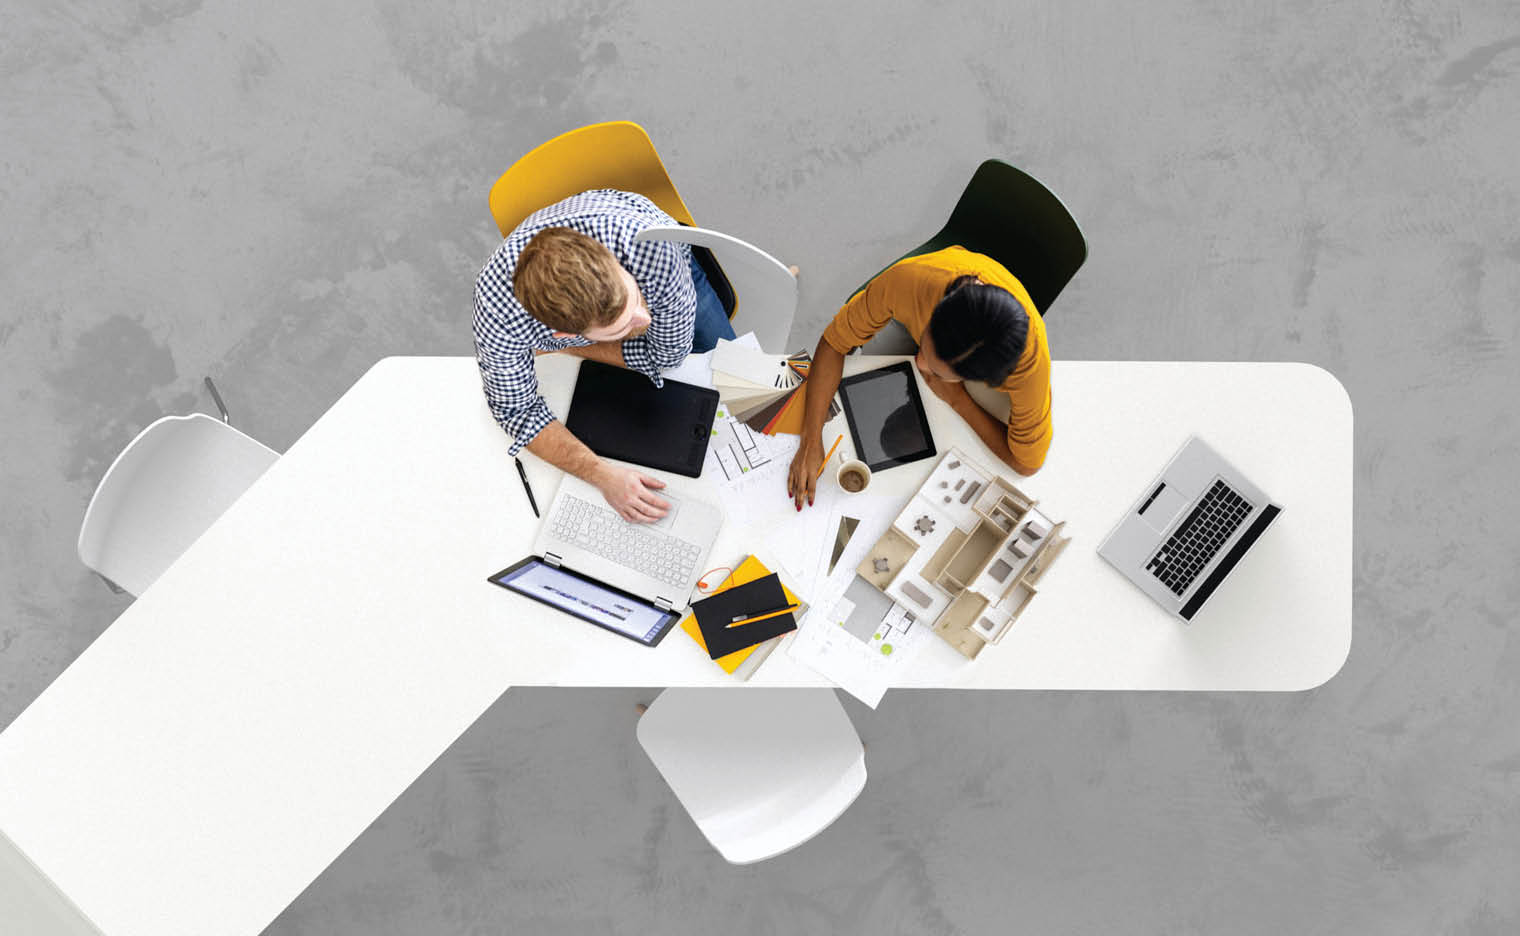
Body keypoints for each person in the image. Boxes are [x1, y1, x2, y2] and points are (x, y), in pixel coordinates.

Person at [474, 189, 735, 523]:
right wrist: (602, 476)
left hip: (670, 257)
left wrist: (568, 348)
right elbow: (518, 413)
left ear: (609, 259)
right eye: (621, 325)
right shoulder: (497, 316)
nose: (645, 318)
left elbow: (669, 355)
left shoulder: (649, 249)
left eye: (634, 297)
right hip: (566, 326)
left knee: (738, 376)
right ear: (565, 332)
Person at [786, 246, 1052, 509]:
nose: (919, 363)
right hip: (928, 288)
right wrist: (811, 438)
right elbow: (835, 342)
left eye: (937, 371)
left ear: (985, 380)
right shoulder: (911, 280)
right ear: (937, 312)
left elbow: (1027, 463)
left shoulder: (1029, 368)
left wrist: (959, 400)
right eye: (924, 344)